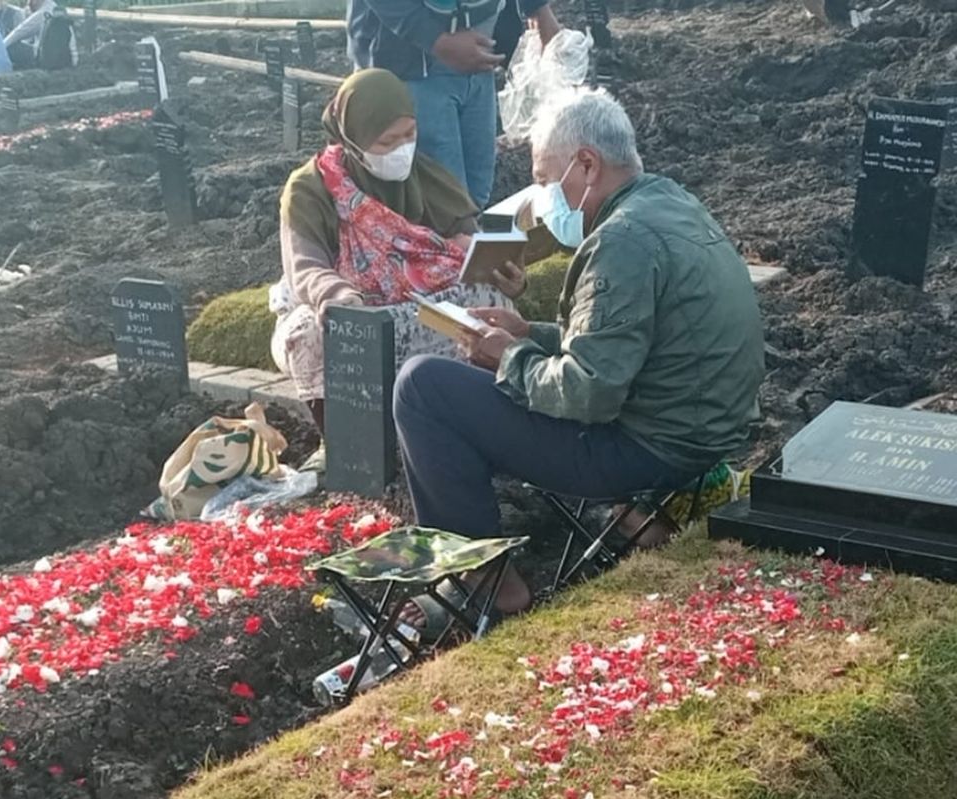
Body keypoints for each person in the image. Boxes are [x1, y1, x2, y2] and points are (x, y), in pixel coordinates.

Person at [392, 88, 765, 634]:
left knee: (422, 387)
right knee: (456, 381)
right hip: (706, 432)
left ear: (586, 165)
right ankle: (635, 522)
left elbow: (588, 392)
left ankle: (487, 580)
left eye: (544, 181)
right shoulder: (670, 202)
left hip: (646, 449)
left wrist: (508, 357)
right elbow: (629, 339)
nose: (541, 200)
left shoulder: (622, 240)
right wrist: (532, 334)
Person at [270, 69, 526, 472]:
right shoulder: (309, 188)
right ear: (352, 137)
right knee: (308, 335)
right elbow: (304, 268)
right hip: (351, 306)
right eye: (387, 141)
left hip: (418, 304)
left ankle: (477, 421)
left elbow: (467, 244)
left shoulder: (425, 175)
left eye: (409, 135)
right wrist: (340, 296)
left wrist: (505, 273)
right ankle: (345, 443)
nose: (402, 150)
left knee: (491, 301)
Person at [347, 0, 560, 209]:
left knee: (476, 192)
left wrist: (539, 8)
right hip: (412, 63)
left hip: (479, 53)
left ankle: (464, 237)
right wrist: (437, 41)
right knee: (442, 199)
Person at [3, 0, 76, 70]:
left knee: (12, 47)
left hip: (45, 60)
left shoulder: (42, 13)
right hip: (70, 60)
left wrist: (0, 46)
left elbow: (18, 32)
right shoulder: (54, 7)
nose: (28, 3)